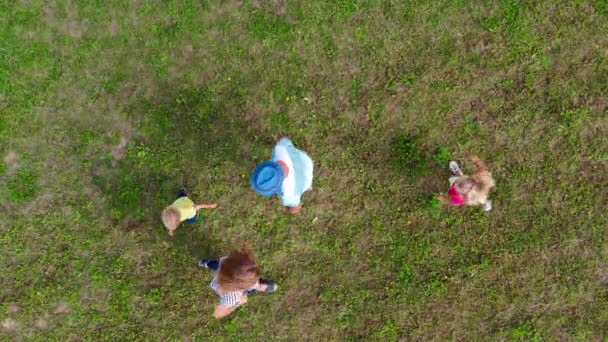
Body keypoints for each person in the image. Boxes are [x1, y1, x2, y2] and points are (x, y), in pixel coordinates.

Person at [198, 245, 277, 319]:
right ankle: (205, 263)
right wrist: (239, 303)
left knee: (217, 265)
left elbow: (218, 313)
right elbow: (218, 314)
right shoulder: (231, 298)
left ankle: (205, 263)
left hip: (228, 273)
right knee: (217, 265)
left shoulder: (230, 263)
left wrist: (239, 302)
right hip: (229, 283)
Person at [250, 137, 313, 214]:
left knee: (304, 185)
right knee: (305, 181)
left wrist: (289, 209)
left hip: (304, 182)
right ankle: (308, 186)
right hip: (305, 162)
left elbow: (294, 208)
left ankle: (307, 186)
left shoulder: (289, 193)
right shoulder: (280, 148)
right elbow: (282, 139)